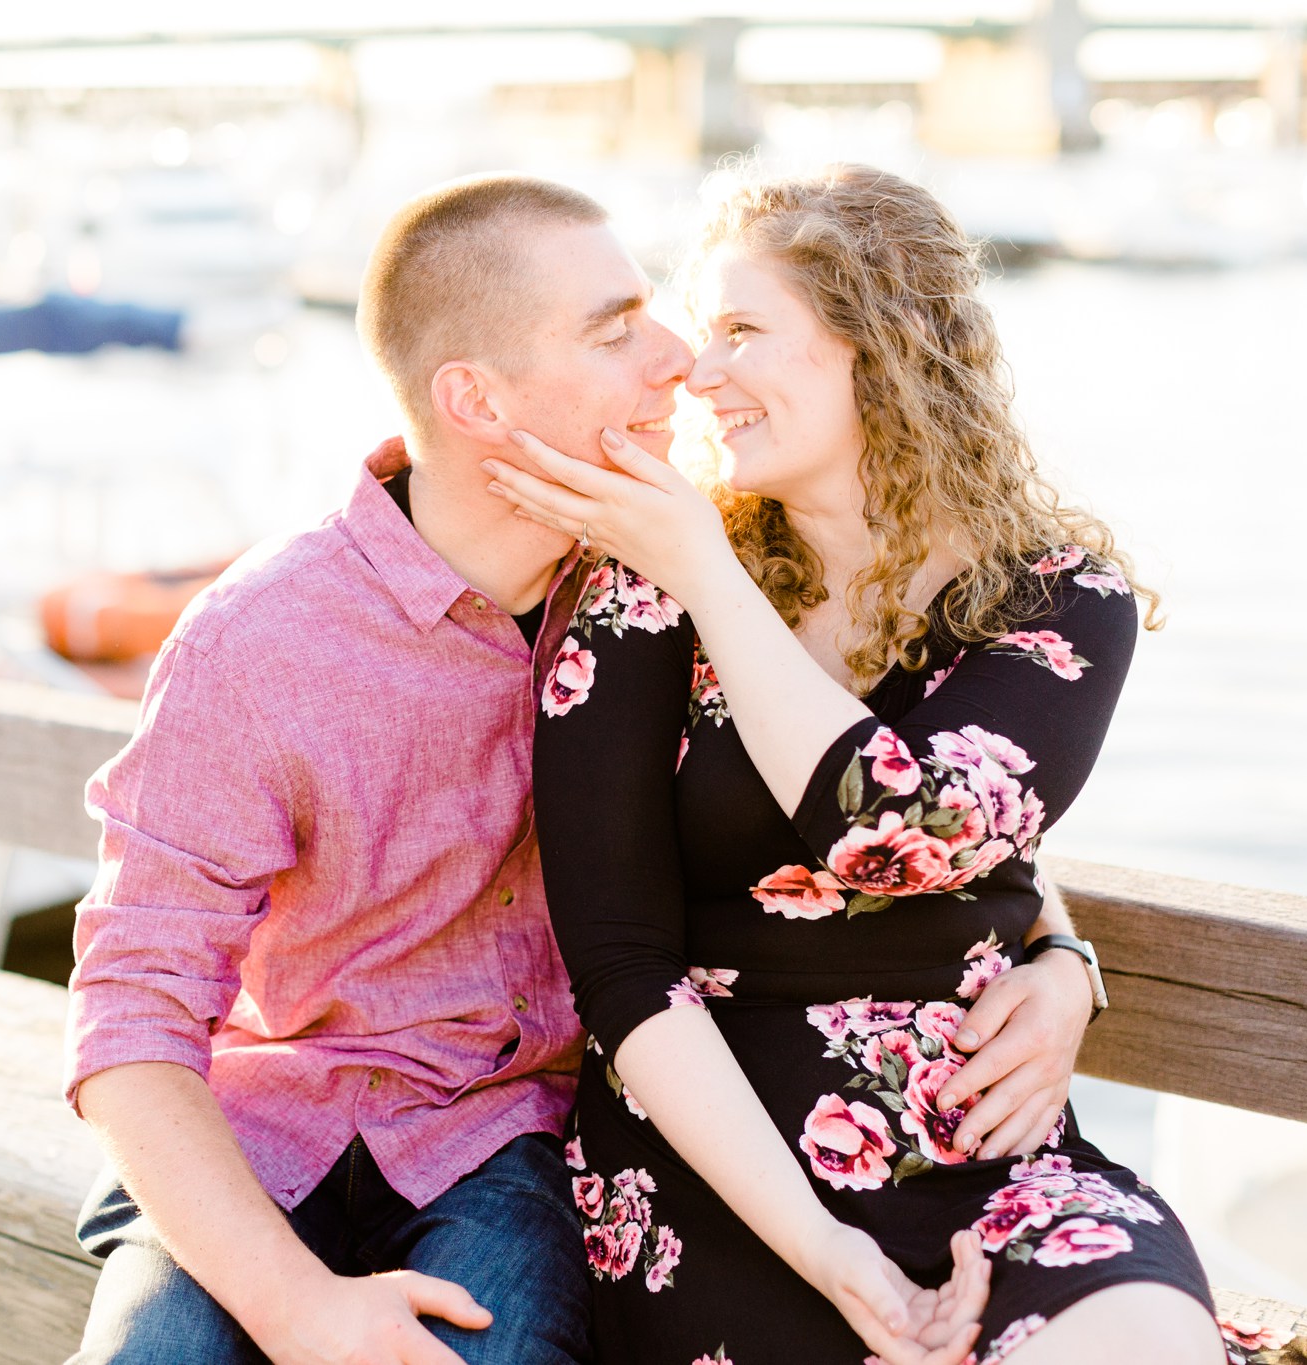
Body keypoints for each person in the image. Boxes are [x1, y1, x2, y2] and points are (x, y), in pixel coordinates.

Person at [64, 173, 1101, 1365]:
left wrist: (1054, 947)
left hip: (508, 1139)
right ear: (476, 400)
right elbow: (129, 1014)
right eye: (616, 332)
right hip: (269, 1128)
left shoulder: (687, 582)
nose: (679, 362)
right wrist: (296, 1310)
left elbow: (896, 790)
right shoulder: (262, 642)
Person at [481, 164, 1223, 1365]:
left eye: (738, 331)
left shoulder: (1057, 602)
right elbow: (620, 968)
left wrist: (1063, 955)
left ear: (877, 344)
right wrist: (828, 1252)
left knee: (1141, 1344)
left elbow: (904, 828)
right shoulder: (640, 583)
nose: (693, 370)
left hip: (985, 1153)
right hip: (722, 1179)